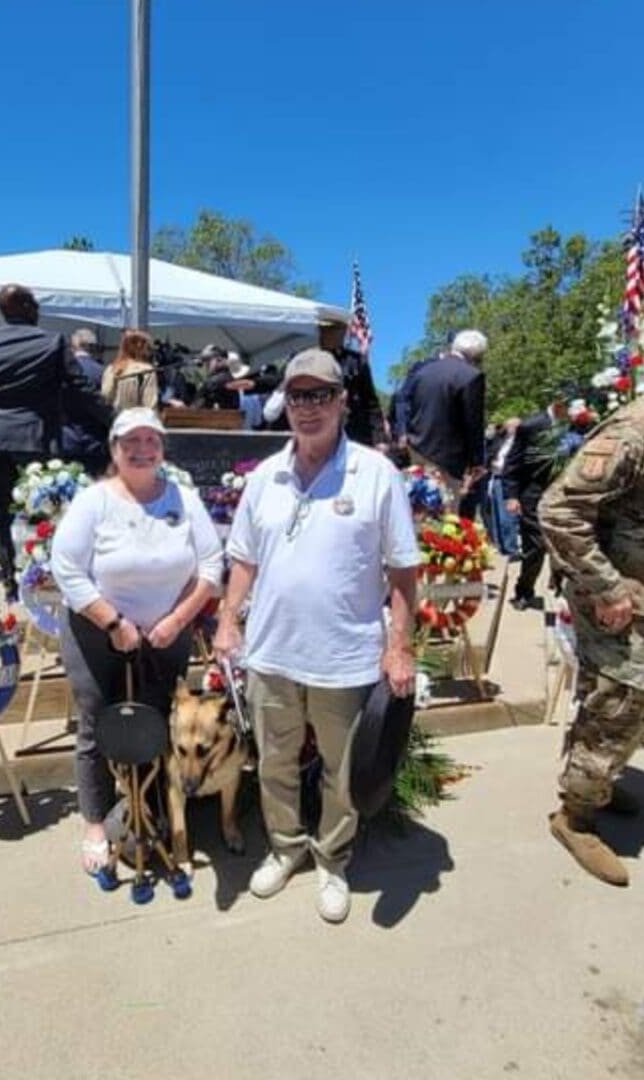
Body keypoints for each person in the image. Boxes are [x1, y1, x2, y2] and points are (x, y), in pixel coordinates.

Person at [213, 347, 419, 924]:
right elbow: (244, 560)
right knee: (274, 763)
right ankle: (285, 848)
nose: (308, 408)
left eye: (320, 395)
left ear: (342, 402)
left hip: (345, 657)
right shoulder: (265, 478)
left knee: (340, 769)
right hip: (271, 653)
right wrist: (229, 620)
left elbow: (402, 570)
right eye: (298, 396)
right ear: (286, 404)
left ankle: (332, 858)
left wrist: (397, 647)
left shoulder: (376, 474)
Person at [51, 407, 222, 877]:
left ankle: (149, 815)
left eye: (152, 440)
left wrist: (175, 620)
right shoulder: (95, 501)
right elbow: (65, 568)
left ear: (163, 448)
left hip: (167, 633)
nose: (143, 449)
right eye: (132, 441)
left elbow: (210, 566)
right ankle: (95, 827)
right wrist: (114, 623)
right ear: (114, 449)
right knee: (97, 725)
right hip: (97, 631)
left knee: (155, 724)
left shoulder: (184, 499)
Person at [539, 396, 644, 888]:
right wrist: (607, 587)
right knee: (620, 702)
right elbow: (559, 511)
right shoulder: (634, 433)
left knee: (632, 707)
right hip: (616, 596)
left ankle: (598, 781)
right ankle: (576, 818)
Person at [0, 284, 66, 602]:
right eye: (34, 302)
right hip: (30, 438)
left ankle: (10, 582)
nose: (38, 308)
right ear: (23, 306)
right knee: (40, 510)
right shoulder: (52, 341)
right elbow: (76, 388)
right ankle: (36, 578)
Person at [404, 329, 488, 503]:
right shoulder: (471, 376)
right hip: (447, 460)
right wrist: (477, 462)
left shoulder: (423, 372)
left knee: (417, 508)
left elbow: (407, 405)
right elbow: (473, 422)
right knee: (444, 517)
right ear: (476, 355)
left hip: (416, 450)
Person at [504, 393, 569, 610]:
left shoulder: (579, 423)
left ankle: (562, 590)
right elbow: (513, 462)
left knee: (566, 543)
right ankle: (524, 591)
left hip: (566, 495)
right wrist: (511, 495)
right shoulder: (532, 425)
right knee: (536, 546)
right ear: (559, 403)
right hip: (533, 496)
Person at [319, 323, 388, 449]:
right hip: (322, 433)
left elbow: (370, 401)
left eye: (334, 329)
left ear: (343, 332)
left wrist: (380, 438)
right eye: (324, 329)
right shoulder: (311, 361)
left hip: (356, 433)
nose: (328, 333)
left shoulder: (357, 361)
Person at [60, 328, 113, 477]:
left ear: (75, 345)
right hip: (95, 440)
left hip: (67, 438)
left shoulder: (61, 371)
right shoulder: (103, 372)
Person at [482, 420, 521, 558]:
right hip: (495, 478)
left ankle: (512, 549)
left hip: (507, 480)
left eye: (511, 426)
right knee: (496, 514)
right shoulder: (502, 441)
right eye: (507, 426)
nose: (508, 428)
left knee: (507, 516)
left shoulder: (518, 443)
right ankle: (500, 546)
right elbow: (489, 454)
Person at [101, 330, 159, 411]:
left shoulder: (111, 369)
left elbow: (106, 396)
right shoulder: (146, 371)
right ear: (141, 347)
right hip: (137, 420)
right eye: (148, 347)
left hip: (116, 419)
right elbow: (150, 404)